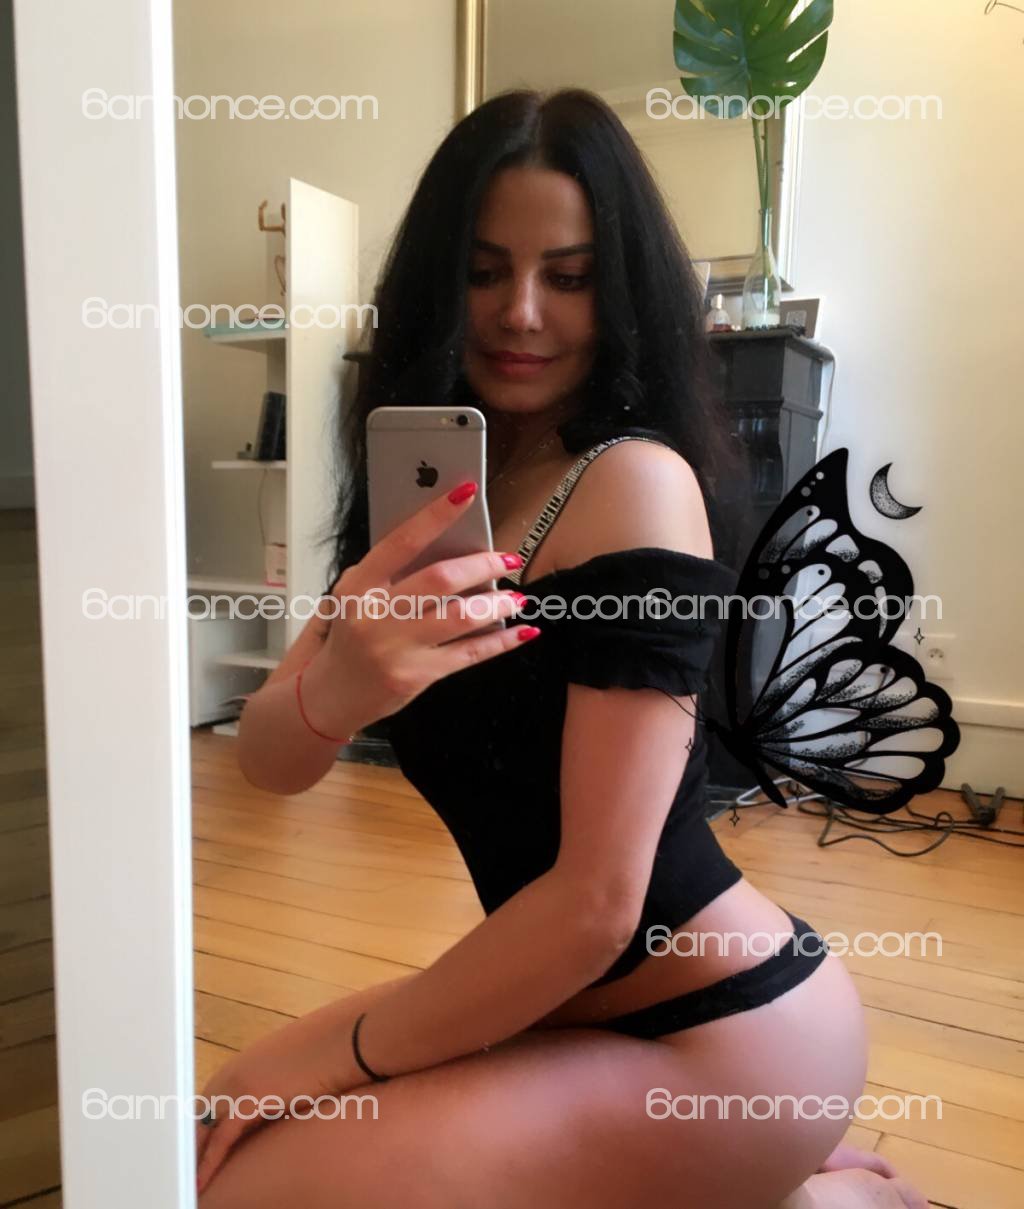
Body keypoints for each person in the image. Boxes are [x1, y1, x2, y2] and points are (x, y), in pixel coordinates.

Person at [196, 90, 929, 1209]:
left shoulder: (634, 483)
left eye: (570, 277)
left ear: (618, 291)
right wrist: (334, 691)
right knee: (214, 1140)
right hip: (550, 1003)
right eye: (483, 271)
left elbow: (597, 903)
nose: (521, 313)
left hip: (724, 1036)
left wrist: (327, 1054)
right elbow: (267, 762)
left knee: (245, 1189)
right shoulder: (433, 492)